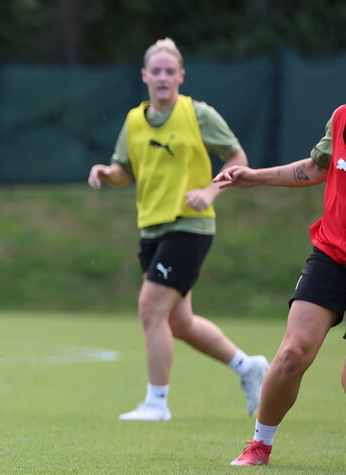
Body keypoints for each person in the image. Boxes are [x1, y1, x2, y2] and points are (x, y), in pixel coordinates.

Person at [87, 38, 269, 421]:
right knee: (178, 322)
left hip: (190, 226)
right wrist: (107, 173)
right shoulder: (134, 121)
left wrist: (210, 191)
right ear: (144, 76)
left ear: (181, 76)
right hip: (151, 229)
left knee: (150, 308)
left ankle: (157, 403)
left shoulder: (198, 114)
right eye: (156, 71)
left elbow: (237, 157)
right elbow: (123, 170)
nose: (163, 77)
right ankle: (248, 367)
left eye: (170, 71)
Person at [216, 104, 346, 466]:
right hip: (332, 254)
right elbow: (317, 168)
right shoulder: (341, 118)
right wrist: (256, 176)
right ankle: (260, 445)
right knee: (292, 353)